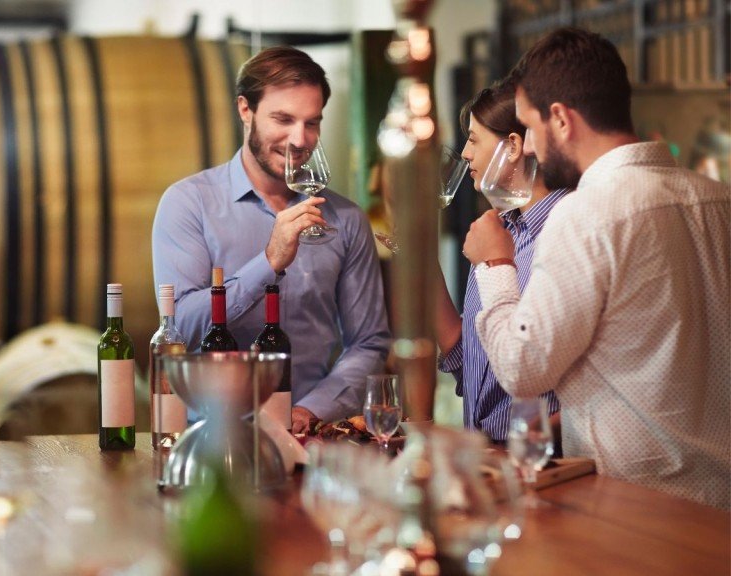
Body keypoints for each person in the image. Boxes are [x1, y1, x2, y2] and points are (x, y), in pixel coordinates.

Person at [464, 27, 730, 508]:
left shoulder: (585, 213)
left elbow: (523, 370)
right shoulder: (718, 200)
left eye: (531, 128)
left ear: (561, 119)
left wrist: (496, 263)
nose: (528, 149)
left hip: (640, 503)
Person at [152, 46, 391, 434]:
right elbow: (181, 331)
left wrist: (310, 411)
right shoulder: (187, 203)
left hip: (313, 438)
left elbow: (368, 343)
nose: (299, 139)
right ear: (245, 110)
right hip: (211, 438)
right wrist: (269, 262)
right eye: (283, 119)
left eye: (312, 123)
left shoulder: (345, 220)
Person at [436, 81, 570, 443]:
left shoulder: (564, 233)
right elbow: (473, 365)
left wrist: (525, 441)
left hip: (544, 463)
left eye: (474, 139)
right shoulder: (498, 231)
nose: (464, 153)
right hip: (489, 460)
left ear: (513, 146)